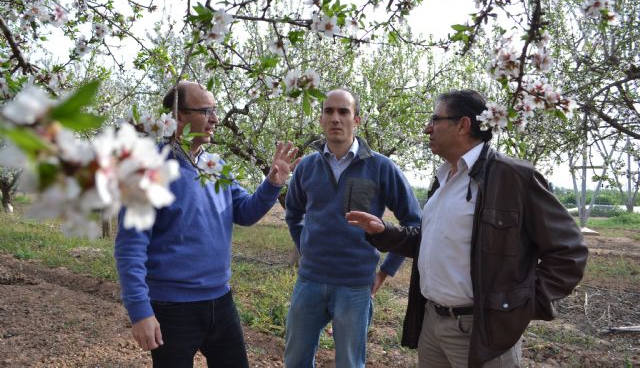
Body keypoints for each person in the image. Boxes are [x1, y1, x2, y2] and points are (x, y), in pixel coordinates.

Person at [346, 89, 588, 368]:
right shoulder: (443, 180)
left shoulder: (513, 178)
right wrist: (384, 232)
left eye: (435, 120)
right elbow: (430, 242)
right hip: (432, 323)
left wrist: (519, 307)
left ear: (463, 125)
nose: (427, 129)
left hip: (483, 333)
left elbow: (570, 253)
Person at [114, 81, 300, 368]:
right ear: (178, 116)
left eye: (215, 110)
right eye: (206, 111)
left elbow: (245, 213)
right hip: (171, 308)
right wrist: (140, 312)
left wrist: (273, 184)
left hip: (221, 300)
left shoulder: (215, 165)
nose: (215, 118)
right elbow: (130, 248)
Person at [284, 88, 422, 368]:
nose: (335, 118)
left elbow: (413, 223)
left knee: (349, 362)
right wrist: (305, 248)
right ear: (321, 119)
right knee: (295, 359)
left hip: (356, 286)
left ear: (356, 120)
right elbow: (293, 214)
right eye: (329, 111)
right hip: (309, 282)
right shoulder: (306, 168)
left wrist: (385, 271)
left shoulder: (381, 168)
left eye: (343, 112)